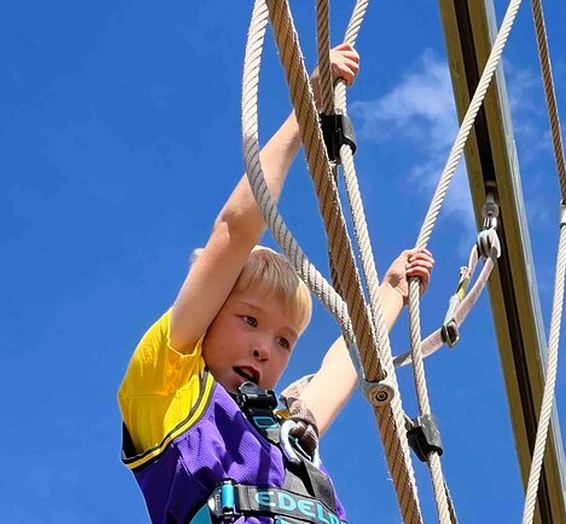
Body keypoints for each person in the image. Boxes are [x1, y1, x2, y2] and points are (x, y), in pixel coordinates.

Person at [117, 43, 435, 524]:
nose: (266, 349)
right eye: (250, 320)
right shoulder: (166, 385)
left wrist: (391, 292)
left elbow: (349, 363)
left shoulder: (289, 432)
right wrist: (302, 118)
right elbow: (235, 232)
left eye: (284, 340)